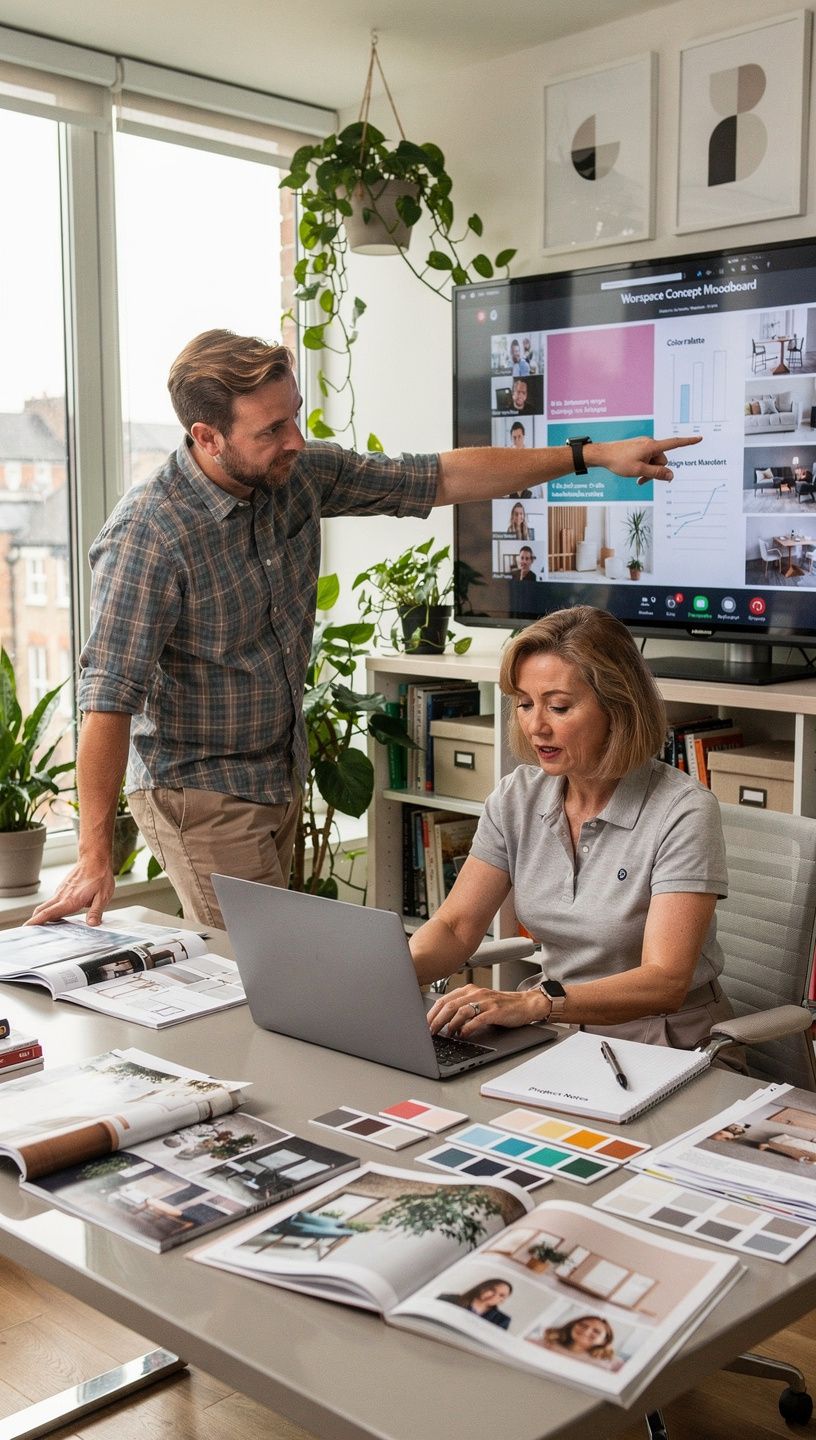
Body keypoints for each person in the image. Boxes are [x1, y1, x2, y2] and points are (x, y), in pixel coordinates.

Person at [29, 329, 699, 931]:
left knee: (271, 976)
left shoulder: (300, 476)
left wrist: (592, 454)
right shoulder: (149, 535)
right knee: (271, 970)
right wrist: (93, 853)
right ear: (207, 437)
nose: (294, 439)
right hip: (196, 785)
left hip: (275, 769)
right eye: (271, 430)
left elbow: (439, 476)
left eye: (293, 417)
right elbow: (108, 699)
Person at [412, 605, 734, 1049]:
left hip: (665, 1040)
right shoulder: (516, 797)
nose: (536, 726)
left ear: (617, 706)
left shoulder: (683, 811)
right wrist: (383, 973)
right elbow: (455, 928)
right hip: (556, 1033)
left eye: (559, 706)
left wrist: (536, 1003)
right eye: (525, 704)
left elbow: (665, 980)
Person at [536, 1315, 616, 1366]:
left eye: (596, 1331)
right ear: (572, 1326)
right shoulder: (545, 1343)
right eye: (583, 1325)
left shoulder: (609, 1363)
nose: (586, 1331)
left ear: (604, 1341)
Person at [437, 1278, 513, 1329]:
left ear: (503, 1300)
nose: (494, 1296)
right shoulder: (448, 1299)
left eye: (501, 1295)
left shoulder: (502, 1320)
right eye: (492, 1290)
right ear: (482, 1287)